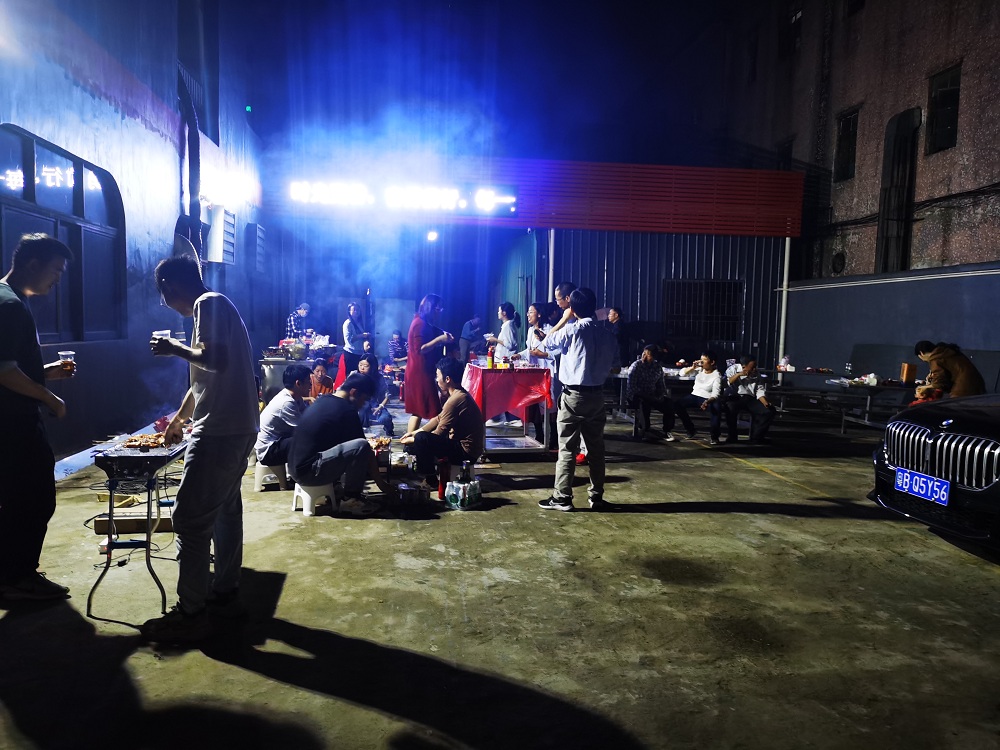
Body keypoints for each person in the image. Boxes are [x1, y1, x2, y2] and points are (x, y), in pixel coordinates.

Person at [141, 254, 259, 643]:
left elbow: (214, 360)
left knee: (190, 520)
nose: (164, 303)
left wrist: (173, 347)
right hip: (236, 427)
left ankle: (191, 612)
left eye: (162, 294)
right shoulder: (214, 307)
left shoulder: (208, 304)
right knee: (224, 512)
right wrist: (179, 419)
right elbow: (203, 380)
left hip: (220, 431)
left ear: (168, 287)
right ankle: (225, 594)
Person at [0, 233, 75, 601]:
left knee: (16, 498)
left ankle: (13, 572)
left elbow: (11, 365)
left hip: (11, 419)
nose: (57, 279)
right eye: (56, 270)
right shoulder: (10, 306)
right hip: (13, 424)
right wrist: (50, 397)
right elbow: (3, 371)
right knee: (34, 498)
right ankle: (17, 578)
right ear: (33, 264)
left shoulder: (10, 298)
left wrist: (46, 372)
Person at [537, 288, 618, 512]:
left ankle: (562, 497)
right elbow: (614, 364)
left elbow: (546, 344)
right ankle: (597, 496)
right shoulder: (607, 335)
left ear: (572, 308)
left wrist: (564, 319)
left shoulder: (572, 330)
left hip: (573, 395)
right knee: (596, 448)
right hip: (598, 395)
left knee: (567, 449)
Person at [288, 372, 394, 517]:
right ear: (354, 392)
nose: (363, 405)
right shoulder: (347, 410)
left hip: (295, 469)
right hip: (309, 472)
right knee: (361, 446)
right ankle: (351, 499)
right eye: (363, 400)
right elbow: (365, 451)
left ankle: (338, 489)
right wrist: (382, 485)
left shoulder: (323, 400)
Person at [400, 357, 485, 488]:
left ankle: (430, 480)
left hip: (466, 453)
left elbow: (439, 433)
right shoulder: (458, 394)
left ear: (447, 379)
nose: (436, 380)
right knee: (420, 438)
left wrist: (414, 439)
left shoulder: (456, 400)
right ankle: (431, 472)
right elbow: (438, 418)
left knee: (422, 441)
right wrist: (414, 432)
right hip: (464, 447)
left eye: (438, 376)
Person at [405, 293, 455, 433]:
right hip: (420, 373)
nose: (440, 312)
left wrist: (444, 333)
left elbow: (433, 330)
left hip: (420, 371)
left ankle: (410, 440)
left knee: (418, 410)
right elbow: (420, 349)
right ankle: (430, 439)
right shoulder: (419, 323)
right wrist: (440, 339)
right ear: (431, 308)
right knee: (434, 410)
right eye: (438, 309)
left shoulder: (423, 322)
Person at [517, 301, 558, 447]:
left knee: (549, 405)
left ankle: (553, 436)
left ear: (539, 314)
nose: (528, 315)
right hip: (533, 373)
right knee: (534, 403)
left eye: (531, 312)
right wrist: (519, 355)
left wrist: (543, 354)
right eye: (528, 312)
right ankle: (539, 433)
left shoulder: (550, 330)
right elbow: (530, 350)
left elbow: (557, 352)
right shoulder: (530, 331)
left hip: (547, 373)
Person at [254, 364, 312, 467]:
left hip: (278, 442)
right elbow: (304, 429)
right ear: (298, 383)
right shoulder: (286, 402)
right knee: (307, 441)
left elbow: (307, 416)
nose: (311, 385)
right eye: (308, 382)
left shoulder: (296, 397)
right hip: (268, 451)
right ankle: (302, 474)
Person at [485, 301, 523, 426]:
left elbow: (510, 344)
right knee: (502, 391)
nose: (498, 313)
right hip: (502, 362)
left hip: (505, 364)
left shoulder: (508, 326)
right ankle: (505, 417)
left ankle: (502, 418)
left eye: (499, 310)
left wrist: (495, 339)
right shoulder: (507, 325)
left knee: (500, 390)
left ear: (504, 313)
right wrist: (496, 347)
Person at [673, 351, 724, 444]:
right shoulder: (699, 370)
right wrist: (692, 367)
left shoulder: (717, 376)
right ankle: (690, 429)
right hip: (695, 395)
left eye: (704, 360)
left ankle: (714, 436)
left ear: (712, 362)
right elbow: (682, 373)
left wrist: (707, 402)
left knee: (716, 408)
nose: (701, 362)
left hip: (708, 398)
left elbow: (716, 394)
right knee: (677, 404)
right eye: (701, 360)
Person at [724, 354, 775, 444]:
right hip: (734, 397)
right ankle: (732, 436)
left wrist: (765, 402)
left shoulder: (757, 374)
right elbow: (727, 382)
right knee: (730, 409)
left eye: (755, 366)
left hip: (749, 398)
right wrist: (739, 375)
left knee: (768, 411)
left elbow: (760, 390)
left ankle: (757, 437)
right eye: (752, 367)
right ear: (744, 366)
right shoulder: (733, 369)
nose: (754, 369)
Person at [626, 345, 672, 440]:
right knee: (644, 403)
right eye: (644, 353)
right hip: (636, 395)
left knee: (669, 404)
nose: (644, 356)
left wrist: (660, 395)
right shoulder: (636, 366)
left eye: (648, 355)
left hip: (651, 394)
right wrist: (647, 396)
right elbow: (632, 387)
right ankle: (644, 429)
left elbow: (661, 385)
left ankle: (667, 430)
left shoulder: (657, 367)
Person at [914, 340, 986, 398]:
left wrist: (925, 387)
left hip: (963, 389)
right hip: (978, 385)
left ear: (921, 353)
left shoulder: (935, 358)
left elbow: (939, 383)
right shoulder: (946, 351)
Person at [356, 353, 394, 436]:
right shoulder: (355, 376)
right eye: (360, 365)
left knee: (385, 418)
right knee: (363, 411)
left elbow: (387, 395)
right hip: (360, 406)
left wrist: (380, 407)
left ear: (372, 367)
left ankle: (389, 429)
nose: (362, 368)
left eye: (366, 366)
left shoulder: (379, 378)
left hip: (376, 405)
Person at [342, 301, 369, 375]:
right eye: (354, 310)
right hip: (350, 353)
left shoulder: (359, 323)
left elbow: (361, 338)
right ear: (349, 311)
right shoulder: (348, 323)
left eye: (358, 310)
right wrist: (362, 335)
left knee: (359, 375)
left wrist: (365, 340)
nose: (356, 312)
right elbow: (349, 339)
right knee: (351, 375)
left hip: (359, 352)